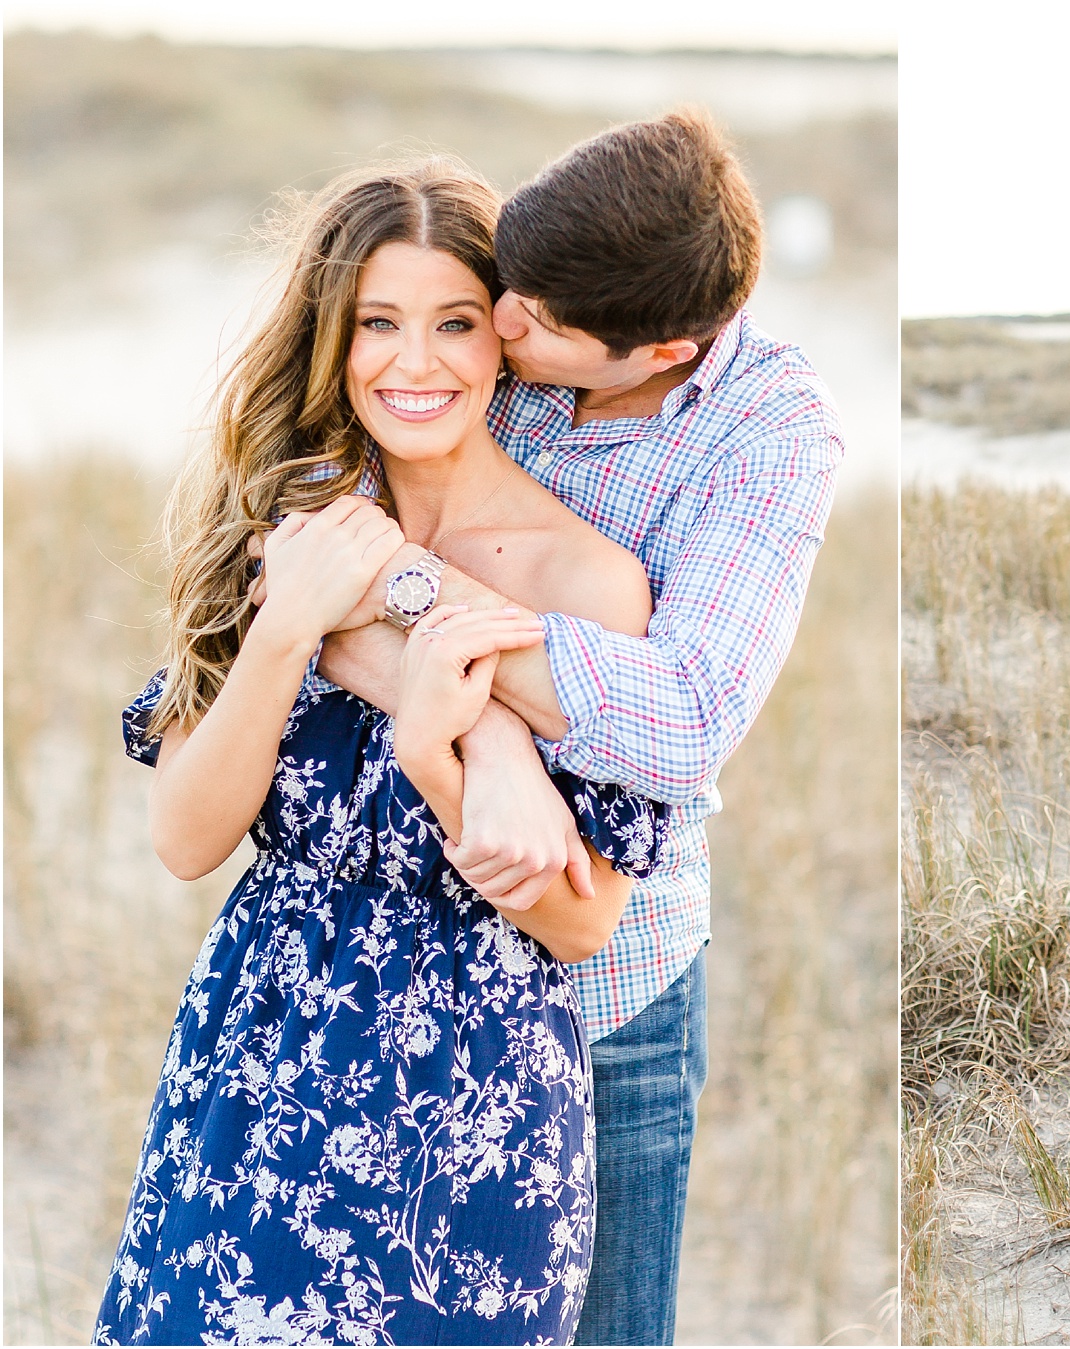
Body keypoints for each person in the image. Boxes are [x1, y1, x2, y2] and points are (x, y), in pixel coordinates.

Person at [96, 161, 668, 1345]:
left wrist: (437, 754)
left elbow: (582, 921)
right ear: (335, 339)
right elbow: (186, 838)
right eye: (379, 324)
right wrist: (288, 627)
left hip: (477, 1115)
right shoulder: (277, 517)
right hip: (256, 1066)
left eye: (455, 323)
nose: (417, 364)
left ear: (507, 336)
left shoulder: (587, 581)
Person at [308, 109, 843, 1345]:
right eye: (509, 289)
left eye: (534, 324)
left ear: (662, 347)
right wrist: (487, 743)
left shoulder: (768, 432)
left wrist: (427, 620)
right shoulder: (527, 298)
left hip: (609, 975)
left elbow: (690, 717)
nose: (496, 326)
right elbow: (309, 527)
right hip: (397, 957)